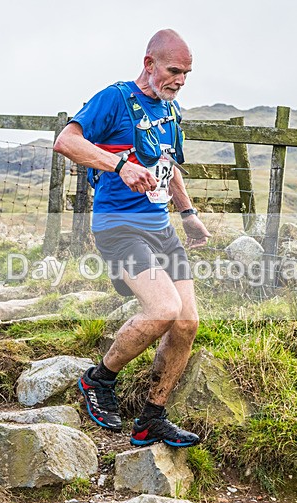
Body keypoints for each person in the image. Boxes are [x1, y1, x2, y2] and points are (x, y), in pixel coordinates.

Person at [54, 29, 211, 447]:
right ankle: (98, 380)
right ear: (149, 64)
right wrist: (119, 163)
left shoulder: (171, 111)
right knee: (162, 309)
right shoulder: (116, 98)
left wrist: (188, 212)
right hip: (118, 227)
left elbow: (168, 164)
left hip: (160, 228)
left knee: (186, 323)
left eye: (187, 73)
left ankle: (151, 418)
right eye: (174, 70)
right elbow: (65, 141)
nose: (179, 80)